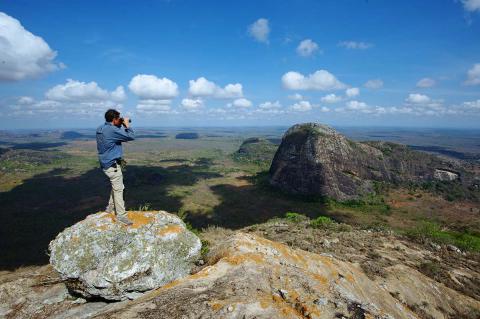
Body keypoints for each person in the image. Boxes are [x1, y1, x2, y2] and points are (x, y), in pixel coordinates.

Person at [96, 109, 135, 225]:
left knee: (116, 185)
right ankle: (121, 216)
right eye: (118, 118)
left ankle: (110, 207)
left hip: (105, 164)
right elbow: (131, 136)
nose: (120, 119)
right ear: (114, 119)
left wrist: (119, 124)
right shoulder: (112, 130)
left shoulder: (100, 128)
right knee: (119, 189)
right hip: (112, 165)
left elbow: (113, 134)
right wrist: (127, 125)